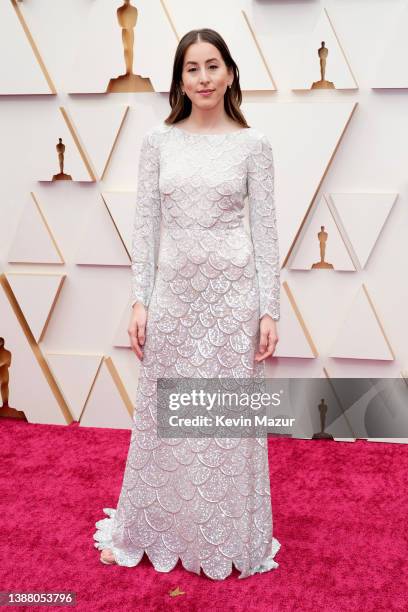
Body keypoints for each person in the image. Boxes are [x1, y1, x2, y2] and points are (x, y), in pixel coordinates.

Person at [93, 27, 281, 580]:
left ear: (230, 74)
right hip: (174, 299)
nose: (203, 78)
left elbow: (266, 233)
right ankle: (155, 528)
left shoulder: (254, 145)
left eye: (212, 66)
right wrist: (139, 301)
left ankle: (225, 537)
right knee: (164, 416)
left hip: (232, 301)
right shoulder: (157, 142)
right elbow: (145, 225)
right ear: (180, 79)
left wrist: (269, 309)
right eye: (192, 68)